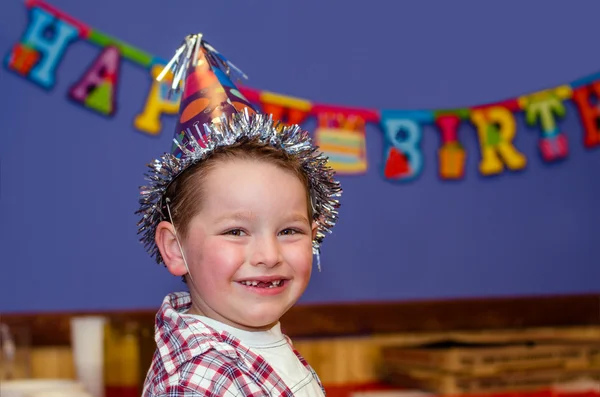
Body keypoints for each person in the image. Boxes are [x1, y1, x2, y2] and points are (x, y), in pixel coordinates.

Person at [136, 34, 342, 396]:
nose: (268, 256)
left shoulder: (249, 349)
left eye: (289, 230)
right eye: (235, 232)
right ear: (174, 247)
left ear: (316, 232)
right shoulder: (199, 380)